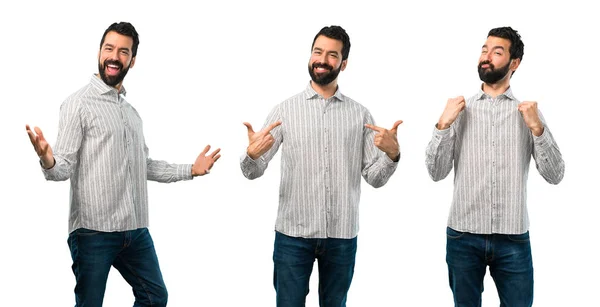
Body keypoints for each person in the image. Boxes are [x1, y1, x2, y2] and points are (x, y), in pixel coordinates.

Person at [25, 21, 221, 307]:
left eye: (123, 51)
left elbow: (144, 166)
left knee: (155, 297)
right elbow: (63, 167)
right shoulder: (77, 103)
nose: (114, 56)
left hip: (135, 229)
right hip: (93, 231)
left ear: (132, 60)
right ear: (99, 52)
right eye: (109, 48)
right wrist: (47, 158)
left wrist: (190, 169)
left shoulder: (131, 114)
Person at [240, 25, 401, 307]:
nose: (322, 59)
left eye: (332, 54)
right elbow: (252, 172)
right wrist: (251, 155)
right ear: (310, 55)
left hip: (341, 236)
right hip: (293, 236)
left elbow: (373, 178)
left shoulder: (360, 114)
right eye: (318, 52)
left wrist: (392, 156)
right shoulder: (284, 110)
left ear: (343, 63)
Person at [425, 26, 565, 306]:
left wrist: (537, 128)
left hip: (513, 237)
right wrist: (443, 124)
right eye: (484, 50)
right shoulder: (459, 110)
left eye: (497, 52)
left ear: (515, 63)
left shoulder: (528, 113)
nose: (486, 56)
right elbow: (435, 172)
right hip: (463, 236)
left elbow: (555, 175)